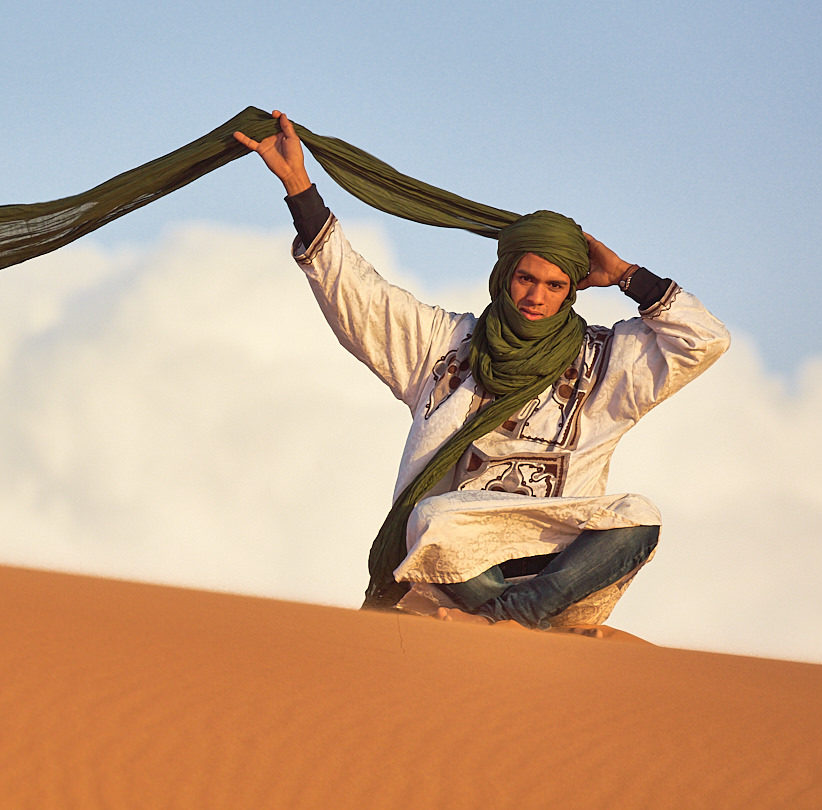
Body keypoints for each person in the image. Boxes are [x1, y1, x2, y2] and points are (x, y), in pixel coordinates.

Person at [234, 111, 730, 629]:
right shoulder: (447, 347)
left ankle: (518, 617)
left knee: (640, 515)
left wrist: (629, 275)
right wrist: (299, 187)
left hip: (553, 567)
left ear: (573, 290)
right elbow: (358, 295)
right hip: (456, 563)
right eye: (525, 278)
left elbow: (705, 340)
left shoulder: (607, 362)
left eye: (555, 285)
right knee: (430, 518)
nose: (536, 296)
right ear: (504, 275)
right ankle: (510, 623)